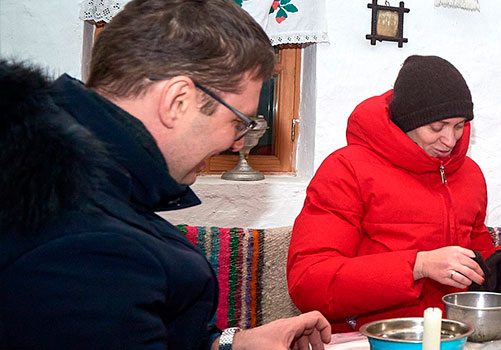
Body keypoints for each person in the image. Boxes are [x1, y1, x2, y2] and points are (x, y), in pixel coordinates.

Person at [0, 0, 332, 349]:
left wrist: (230, 344)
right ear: (177, 101)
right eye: (238, 122)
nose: (237, 144)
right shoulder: (88, 244)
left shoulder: (68, 172)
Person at [287, 55, 501, 332]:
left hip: (452, 335)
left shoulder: (469, 174)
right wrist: (417, 266)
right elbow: (309, 282)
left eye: (459, 126)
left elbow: (473, 261)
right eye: (437, 127)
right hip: (373, 338)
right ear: (407, 121)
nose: (450, 140)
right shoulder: (346, 170)